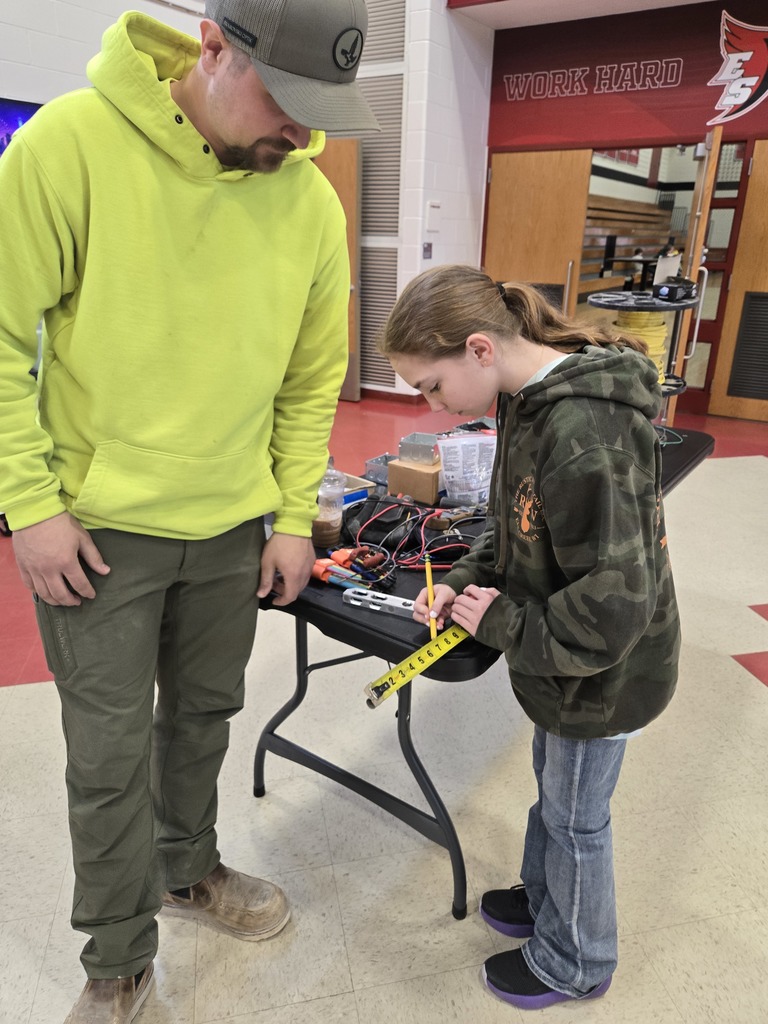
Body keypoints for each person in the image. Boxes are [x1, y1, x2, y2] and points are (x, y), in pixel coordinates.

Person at [0, 1, 378, 1021]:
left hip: (232, 527)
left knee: (204, 718)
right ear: (212, 44)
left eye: (320, 113)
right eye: (287, 103)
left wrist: (293, 515)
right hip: (97, 530)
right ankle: (117, 956)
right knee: (108, 750)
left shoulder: (308, 202)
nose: (302, 135)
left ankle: (187, 866)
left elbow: (310, 381)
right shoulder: (64, 146)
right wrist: (29, 507)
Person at [378, 265, 680, 1011]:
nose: (431, 405)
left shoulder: (584, 433)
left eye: (430, 386)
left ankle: (576, 959)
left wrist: (502, 621)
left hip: (604, 674)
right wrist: (458, 581)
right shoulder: (525, 402)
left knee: (577, 818)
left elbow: (614, 610)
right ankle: (547, 898)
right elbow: (514, 528)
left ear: (479, 349)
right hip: (563, 663)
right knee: (555, 793)